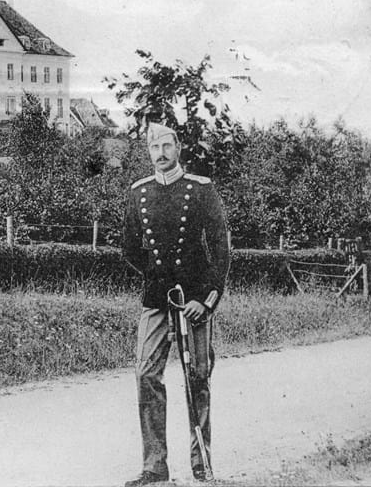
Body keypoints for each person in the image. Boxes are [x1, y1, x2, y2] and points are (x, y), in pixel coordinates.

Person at [121, 122, 230, 486]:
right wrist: (156, 275)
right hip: (156, 298)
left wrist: (207, 298)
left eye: (167, 146)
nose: (161, 153)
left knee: (196, 376)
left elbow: (220, 248)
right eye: (154, 148)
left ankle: (202, 462)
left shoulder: (201, 190)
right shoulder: (138, 192)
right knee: (146, 374)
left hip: (195, 298)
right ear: (148, 152)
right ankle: (155, 465)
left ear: (178, 147)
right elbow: (131, 248)